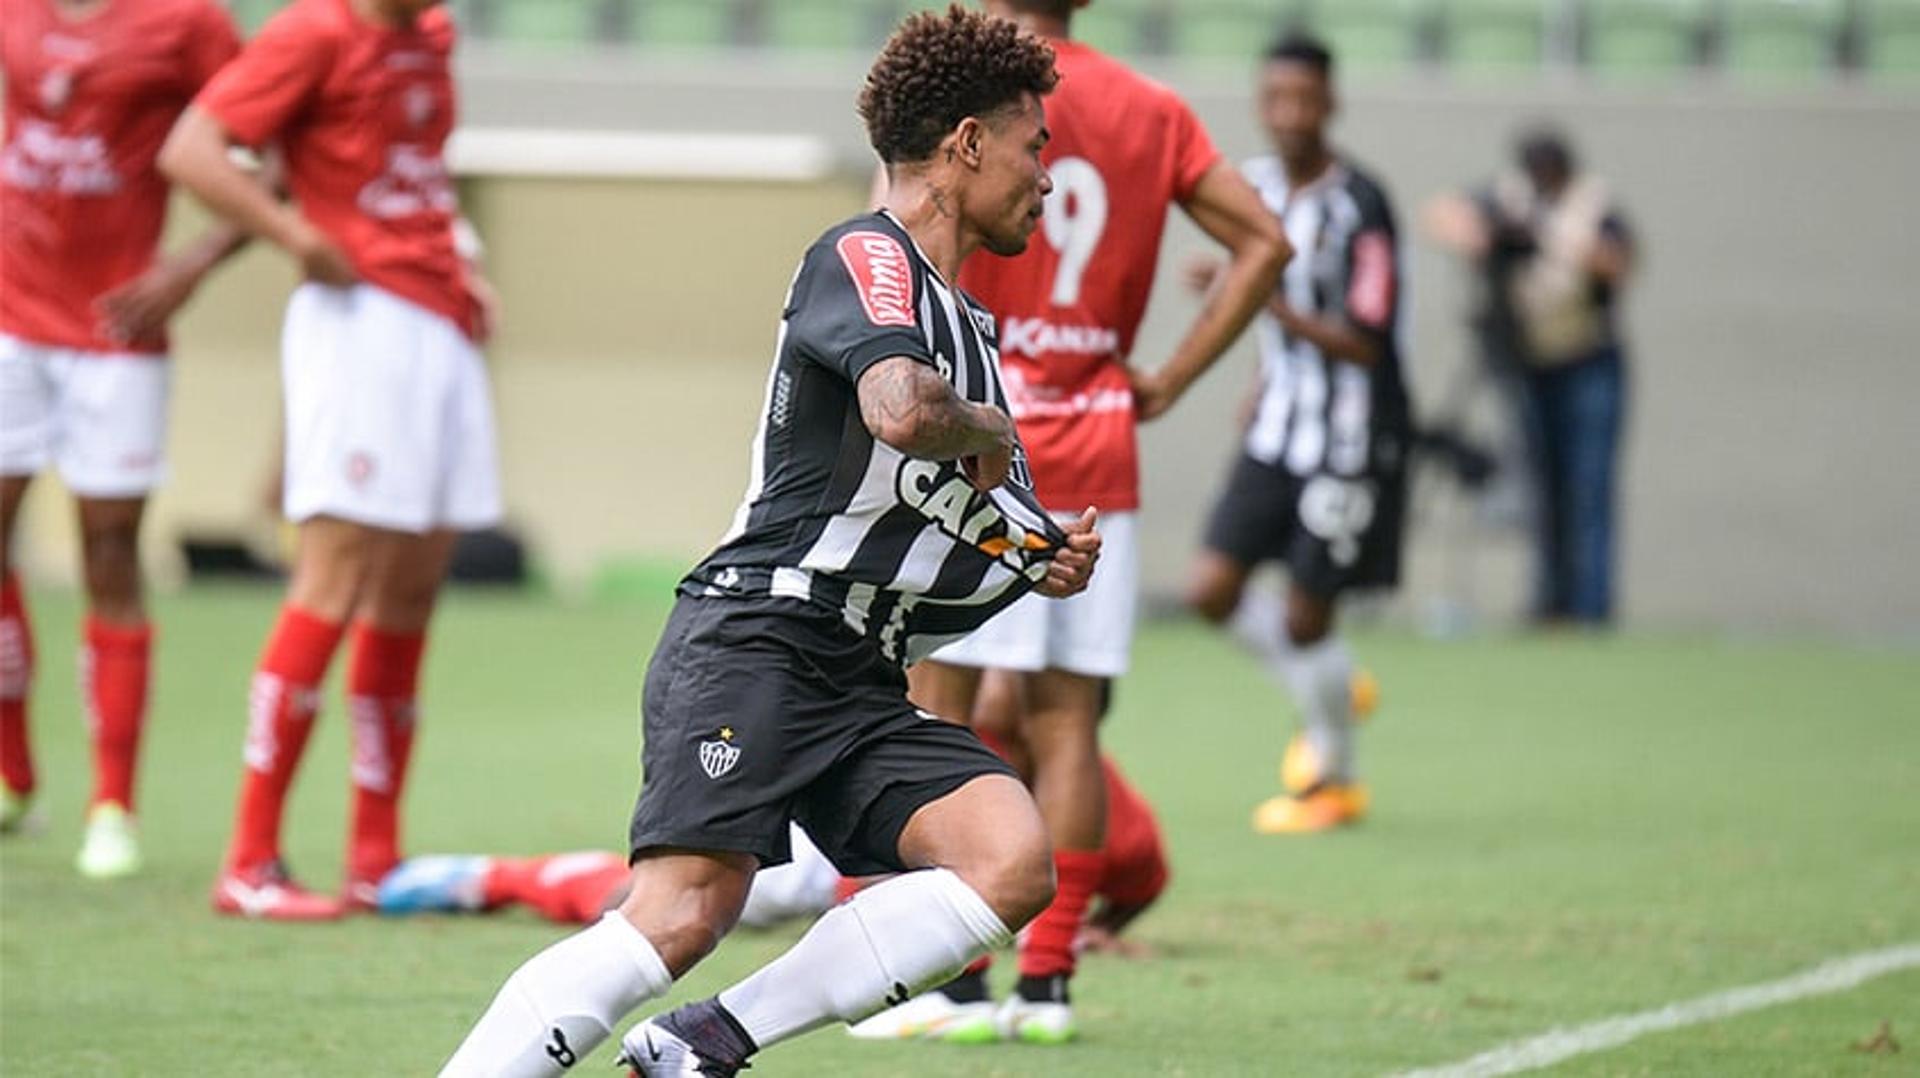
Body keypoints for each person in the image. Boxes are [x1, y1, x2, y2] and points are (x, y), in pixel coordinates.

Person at [438, 9, 1097, 1075]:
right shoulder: (865, 254)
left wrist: (1040, 554)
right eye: (1035, 148)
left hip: (860, 676)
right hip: (762, 635)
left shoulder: (971, 330)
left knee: (1009, 856)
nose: (1047, 179)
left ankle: (708, 1041)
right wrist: (988, 431)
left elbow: (960, 525)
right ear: (968, 145)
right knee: (683, 911)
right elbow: (900, 408)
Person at [858, 0, 1285, 1045]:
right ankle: (1046, 987)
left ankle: (954, 983)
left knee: (940, 713)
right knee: (1068, 725)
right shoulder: (1152, 106)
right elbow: (1266, 244)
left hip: (981, 431)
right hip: (1097, 439)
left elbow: (890, 244)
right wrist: (1169, 380)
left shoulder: (969, 96)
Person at [158, 0, 501, 919]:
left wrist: (461, 269)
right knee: (332, 580)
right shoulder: (313, 32)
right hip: (360, 327)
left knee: (412, 589)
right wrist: (298, 238)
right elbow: (193, 148)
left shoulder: (429, 33)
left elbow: (412, 169)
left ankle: (373, 857)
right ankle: (249, 861)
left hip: (440, 322)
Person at [0, 0, 246, 877]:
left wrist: (186, 267)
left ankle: (113, 804)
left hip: (115, 330)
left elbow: (277, 158)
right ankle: (14, 773)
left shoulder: (188, 22)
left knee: (108, 554)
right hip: (10, 318)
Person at [1184, 34, 1412, 835]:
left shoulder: (1361, 206)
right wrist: (1258, 373)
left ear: (1330, 102)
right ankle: (1331, 682)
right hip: (1278, 429)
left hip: (1350, 442)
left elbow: (1367, 337)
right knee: (1211, 590)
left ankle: (1334, 780)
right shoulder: (1252, 185)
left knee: (1305, 617)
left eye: (1303, 98)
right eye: (1275, 97)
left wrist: (1259, 296)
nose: (1288, 113)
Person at [1425, 128, 1633, 626]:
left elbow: (1619, 263)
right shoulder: (1508, 197)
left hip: (1587, 359)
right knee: (1541, 485)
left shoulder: (1593, 206)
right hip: (1527, 361)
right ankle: (1549, 601)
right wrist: (1485, 235)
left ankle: (1590, 606)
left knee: (1589, 484)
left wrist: (1555, 237)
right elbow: (1441, 214)